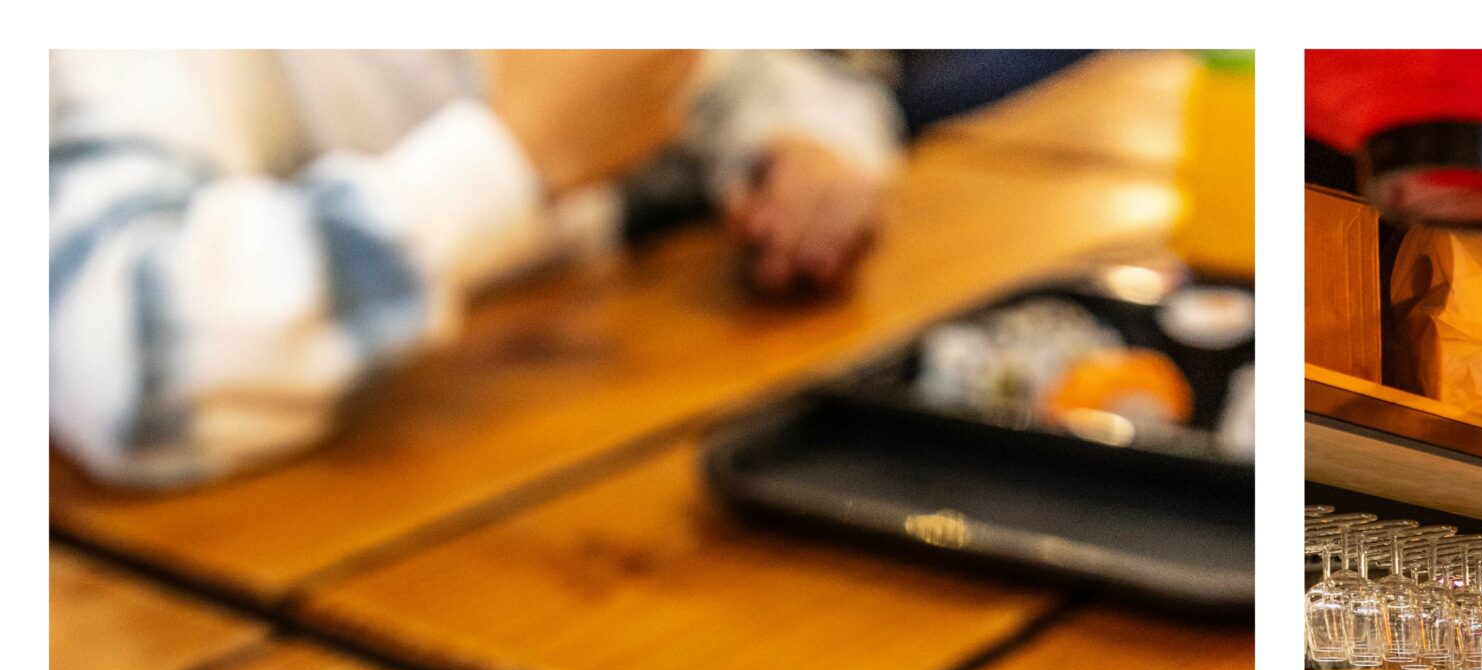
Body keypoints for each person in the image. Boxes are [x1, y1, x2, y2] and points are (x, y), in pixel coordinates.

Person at [52, 51, 901, 486]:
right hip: (257, 561)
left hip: (579, 447)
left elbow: (733, 62)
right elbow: (120, 368)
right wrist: (513, 157)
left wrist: (806, 137)